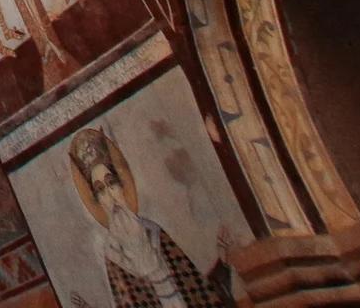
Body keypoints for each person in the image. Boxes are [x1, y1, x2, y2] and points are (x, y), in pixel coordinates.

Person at [67, 127, 236, 308]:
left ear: (122, 186)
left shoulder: (153, 231)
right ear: (98, 200)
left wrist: (221, 264)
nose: (109, 194)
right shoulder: (113, 253)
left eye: (111, 183)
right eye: (100, 189)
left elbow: (194, 285)